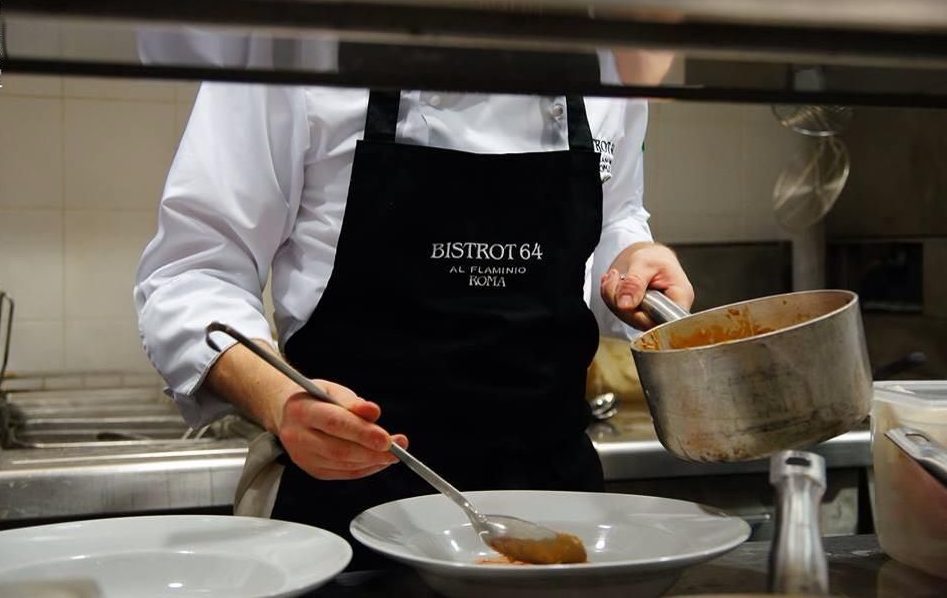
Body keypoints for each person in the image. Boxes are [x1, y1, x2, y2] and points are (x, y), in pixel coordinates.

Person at [134, 75, 694, 566]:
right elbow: (194, 273)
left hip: (557, 510)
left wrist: (631, 263)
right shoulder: (295, 42)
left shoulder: (604, 56)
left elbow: (615, 217)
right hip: (345, 517)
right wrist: (278, 398)